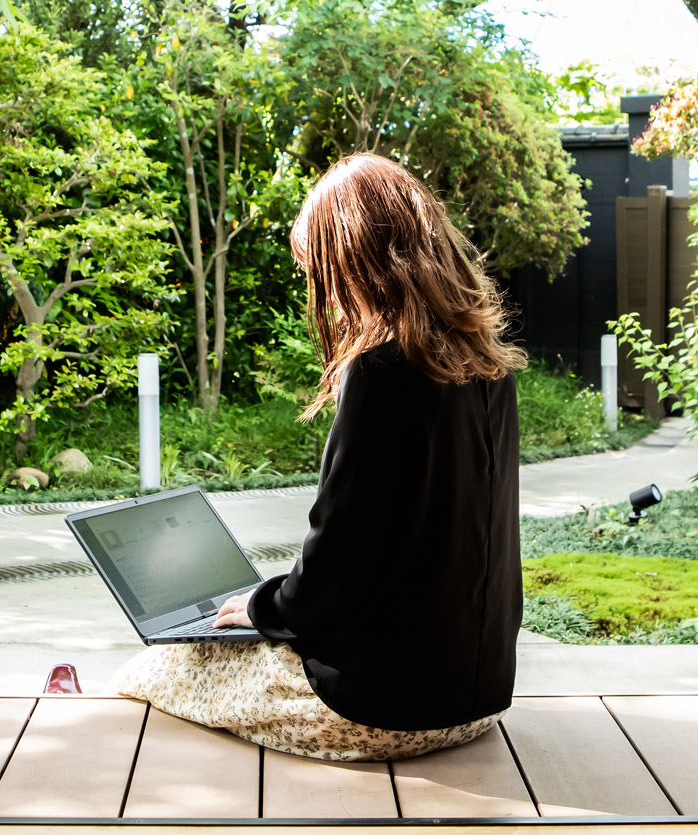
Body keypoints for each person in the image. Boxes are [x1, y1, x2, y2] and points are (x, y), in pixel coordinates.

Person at [109, 151, 527, 761]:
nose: (327, 293)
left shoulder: (381, 373)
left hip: (385, 709)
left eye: (323, 271)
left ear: (360, 261)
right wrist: (278, 603)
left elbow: (337, 571)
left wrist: (259, 605)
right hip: (479, 700)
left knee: (155, 667)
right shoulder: (490, 369)